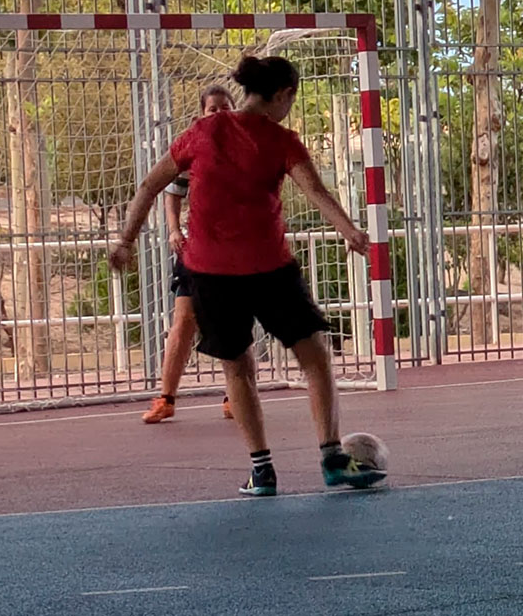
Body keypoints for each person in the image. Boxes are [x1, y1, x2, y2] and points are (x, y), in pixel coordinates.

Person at [111, 54, 386, 496]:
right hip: (268, 269)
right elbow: (314, 190)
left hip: (212, 272)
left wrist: (126, 239)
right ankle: (332, 459)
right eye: (291, 100)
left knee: (238, 368)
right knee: (315, 356)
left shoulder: (202, 132)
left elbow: (149, 185)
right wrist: (349, 230)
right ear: (283, 95)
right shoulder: (280, 140)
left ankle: (262, 471)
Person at [143, 84, 236, 424]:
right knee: (183, 319)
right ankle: (166, 398)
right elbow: (172, 191)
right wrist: (173, 229)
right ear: (203, 114)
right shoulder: (193, 147)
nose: (221, 113)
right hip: (196, 247)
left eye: (226, 107)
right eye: (214, 109)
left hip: (233, 248)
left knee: (230, 320)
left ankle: (234, 395)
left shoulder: (246, 148)